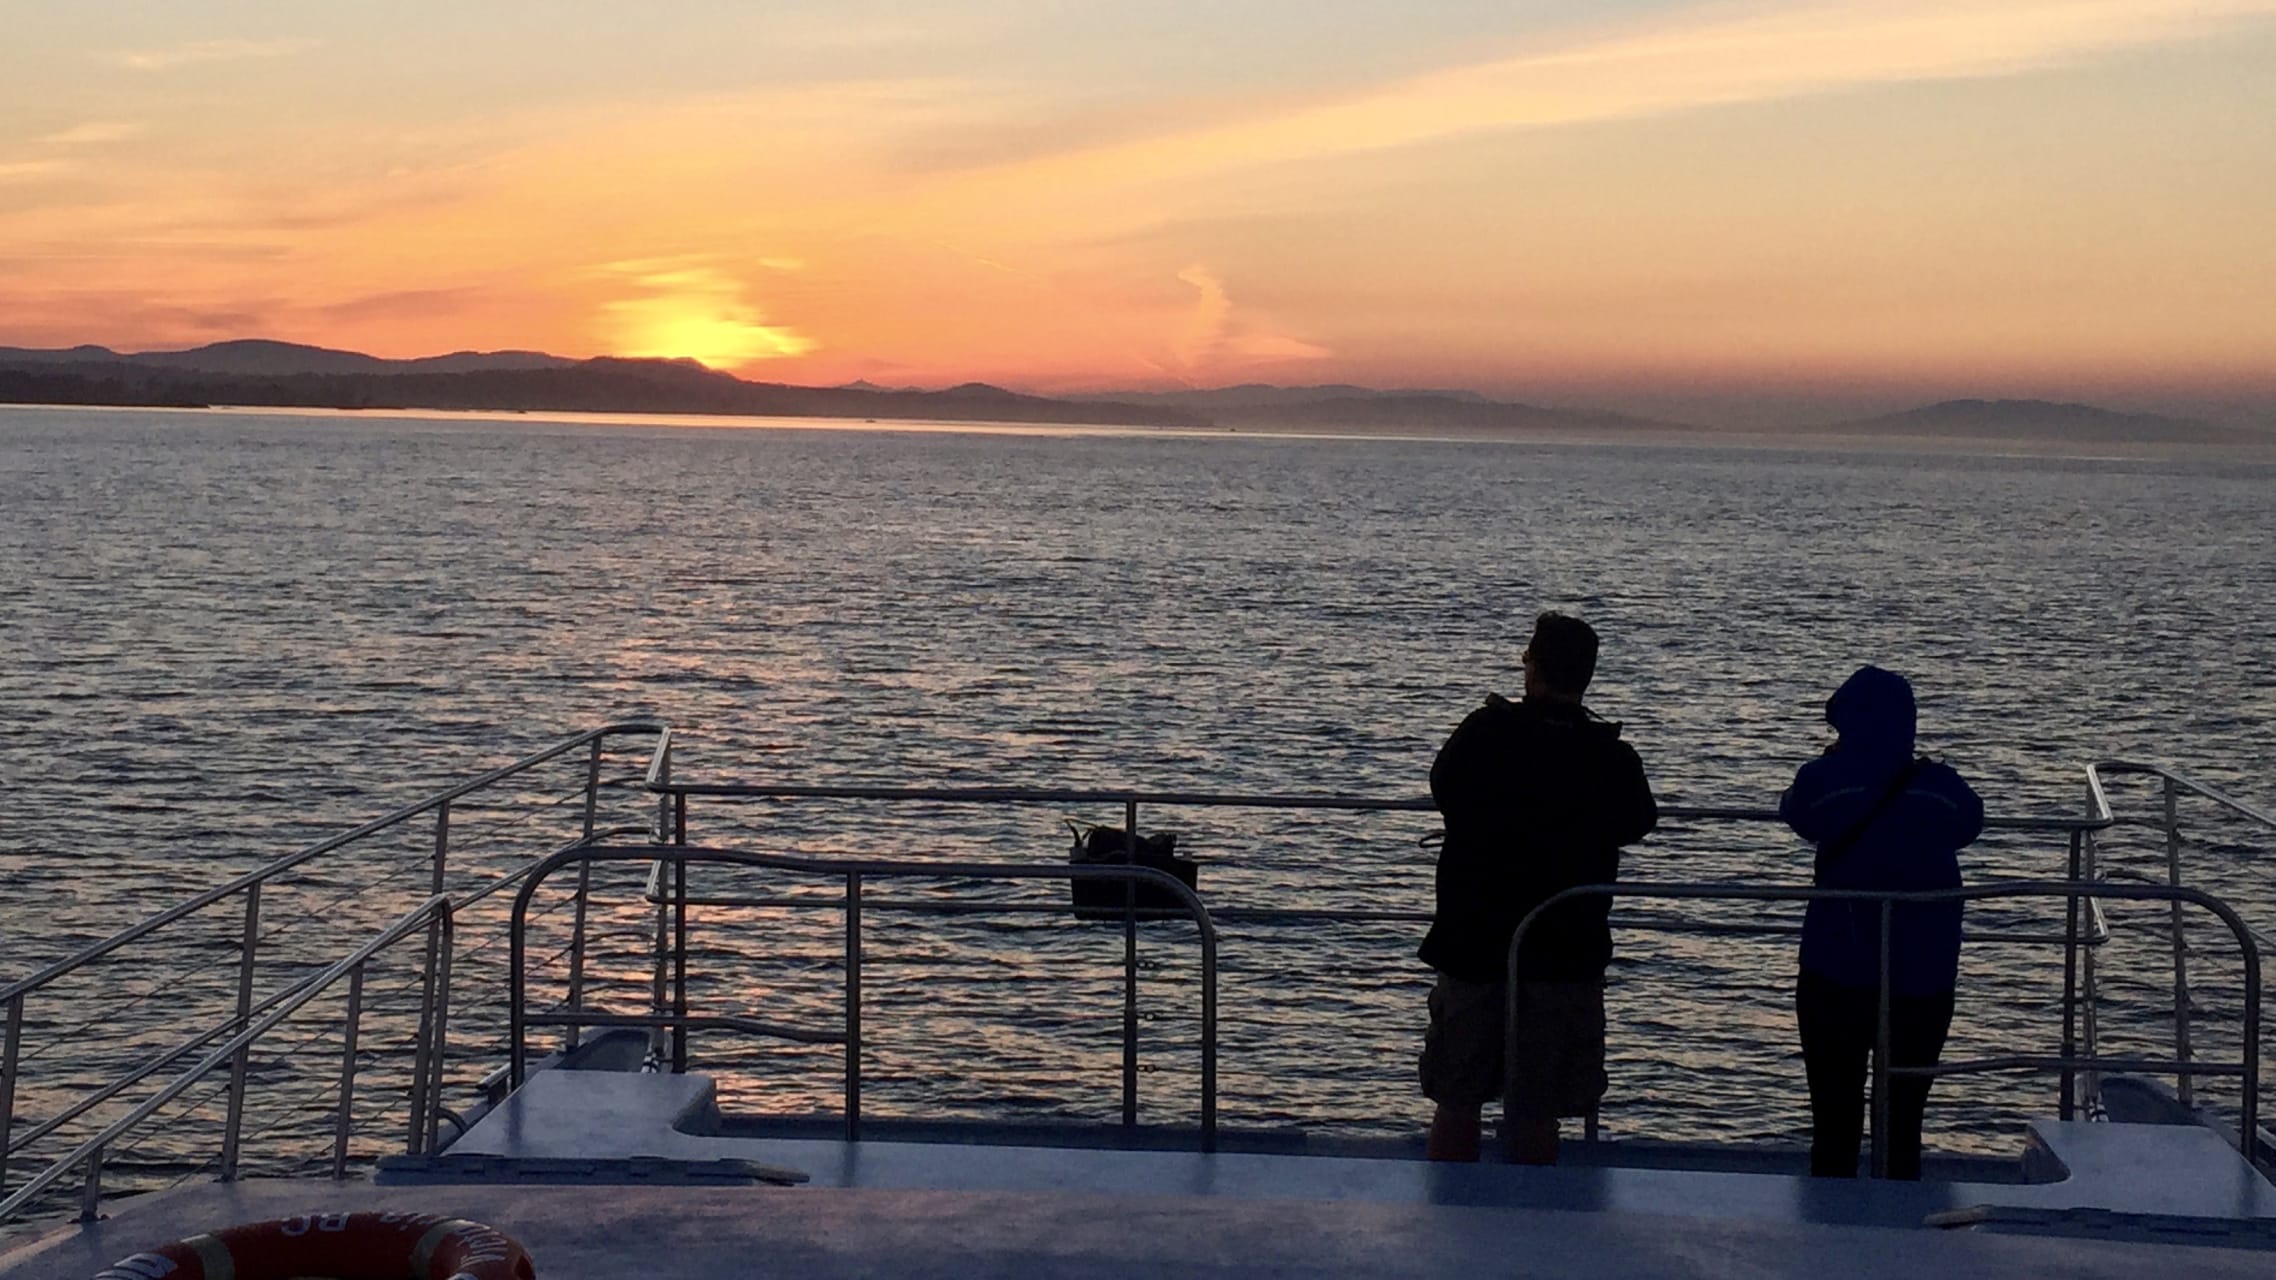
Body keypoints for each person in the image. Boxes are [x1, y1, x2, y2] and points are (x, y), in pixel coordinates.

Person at [1419, 611, 1658, 1163]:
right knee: (1538, 1107)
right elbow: (1638, 820)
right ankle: (1532, 1205)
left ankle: (1450, 1205)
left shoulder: (1485, 733)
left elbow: (1442, 785)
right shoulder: (1609, 756)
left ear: (1534, 670)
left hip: (1474, 942)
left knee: (1457, 1097)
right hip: (1564, 949)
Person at [1780, 665, 1983, 1179]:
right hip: (1923, 975)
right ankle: (1898, 1204)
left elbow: (1797, 812)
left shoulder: (1824, 781)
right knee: (1905, 1114)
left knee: (1834, 1112)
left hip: (1835, 967)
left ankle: (1833, 1209)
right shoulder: (1938, 787)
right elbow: (1970, 822)